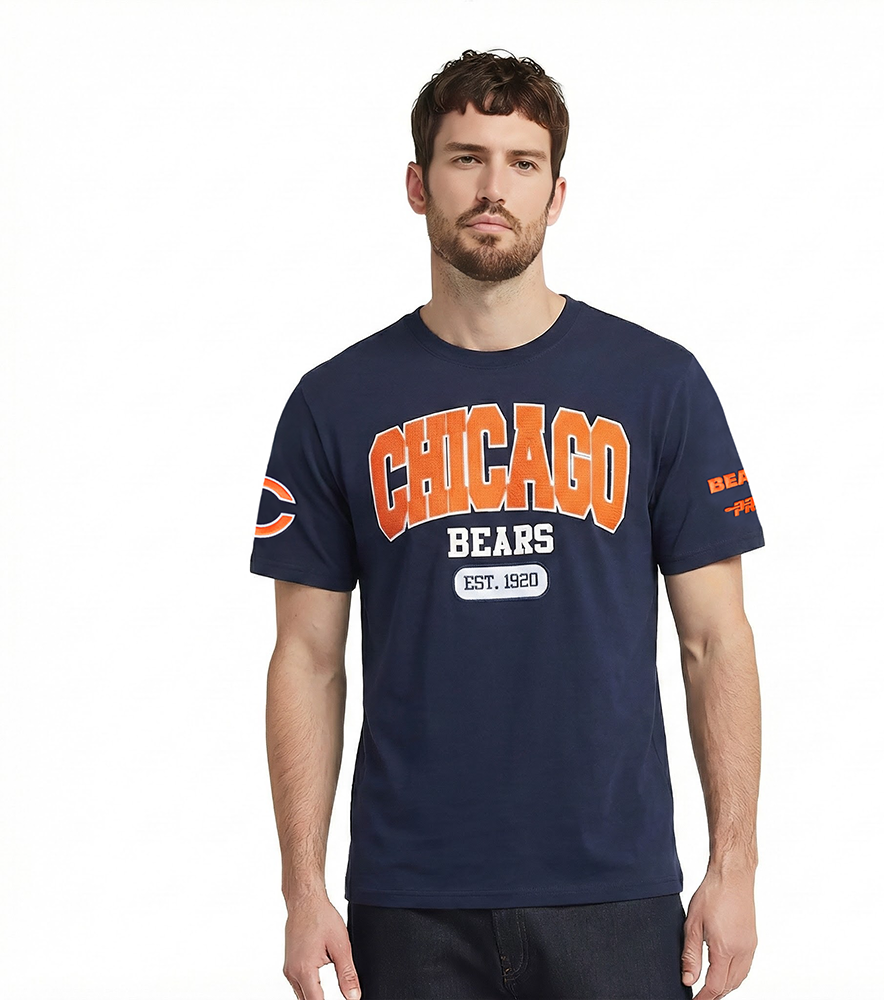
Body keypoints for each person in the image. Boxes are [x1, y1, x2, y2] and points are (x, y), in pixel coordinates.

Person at [250, 48, 763, 1000]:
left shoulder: (659, 385)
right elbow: (307, 659)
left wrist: (735, 869)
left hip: (615, 889)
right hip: (410, 899)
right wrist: (302, 889)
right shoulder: (334, 402)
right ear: (418, 184)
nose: (494, 188)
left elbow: (716, 640)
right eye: (466, 158)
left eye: (523, 163)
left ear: (556, 194)